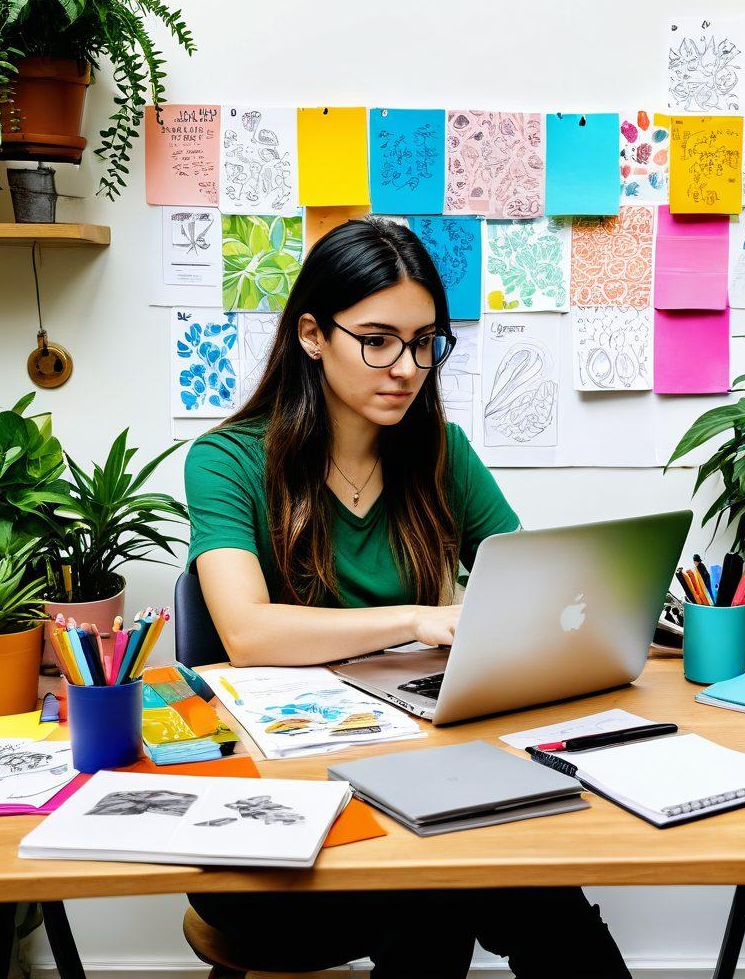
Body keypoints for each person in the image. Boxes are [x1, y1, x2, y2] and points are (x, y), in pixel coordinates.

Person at [184, 218, 630, 979]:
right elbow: (249, 633)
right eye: (380, 339)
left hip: (419, 779)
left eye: (426, 342)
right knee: (467, 880)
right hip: (276, 820)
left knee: (509, 877)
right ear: (313, 335)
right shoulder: (225, 461)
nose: (408, 367)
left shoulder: (442, 456)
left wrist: (611, 617)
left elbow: (525, 591)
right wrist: (417, 618)